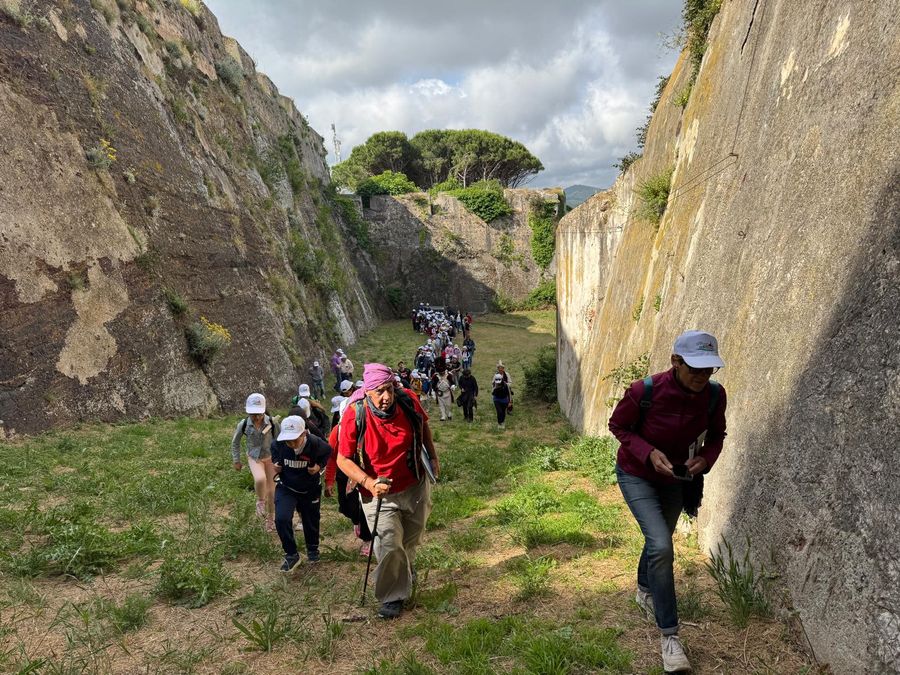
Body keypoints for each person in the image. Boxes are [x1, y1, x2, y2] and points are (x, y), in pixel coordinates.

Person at [608, 330, 728, 674]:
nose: (702, 377)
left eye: (709, 371)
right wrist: (648, 453)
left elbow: (717, 436)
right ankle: (670, 638)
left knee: (659, 539)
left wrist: (704, 460)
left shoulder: (714, 396)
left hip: (677, 479)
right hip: (636, 474)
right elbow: (618, 426)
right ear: (675, 362)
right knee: (660, 543)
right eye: (696, 370)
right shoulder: (643, 391)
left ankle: (644, 588)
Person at [336, 363, 440, 619]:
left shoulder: (408, 401)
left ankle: (403, 571)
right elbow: (343, 459)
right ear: (368, 392)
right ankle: (392, 597)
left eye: (390, 389)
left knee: (411, 539)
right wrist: (369, 483)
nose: (387, 397)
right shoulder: (354, 413)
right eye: (380, 391)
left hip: (414, 484)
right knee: (390, 544)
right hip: (377, 493)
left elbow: (422, 427)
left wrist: (433, 458)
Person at [271, 415, 332, 570]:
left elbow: (328, 452)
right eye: (287, 440)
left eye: (295, 439)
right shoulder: (278, 444)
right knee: (281, 519)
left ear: (304, 433)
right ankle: (291, 554)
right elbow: (276, 458)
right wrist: (276, 465)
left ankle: (312, 549)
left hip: (310, 488)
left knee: (310, 519)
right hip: (286, 487)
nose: (291, 444)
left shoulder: (317, 444)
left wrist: (319, 466)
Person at [230, 393, 279, 532]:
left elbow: (281, 441)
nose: (256, 417)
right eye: (253, 414)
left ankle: (271, 520)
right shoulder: (244, 424)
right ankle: (260, 502)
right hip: (254, 458)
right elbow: (235, 442)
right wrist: (236, 460)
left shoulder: (272, 423)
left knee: (272, 492)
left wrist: (281, 461)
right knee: (259, 479)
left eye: (259, 414)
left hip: (270, 458)